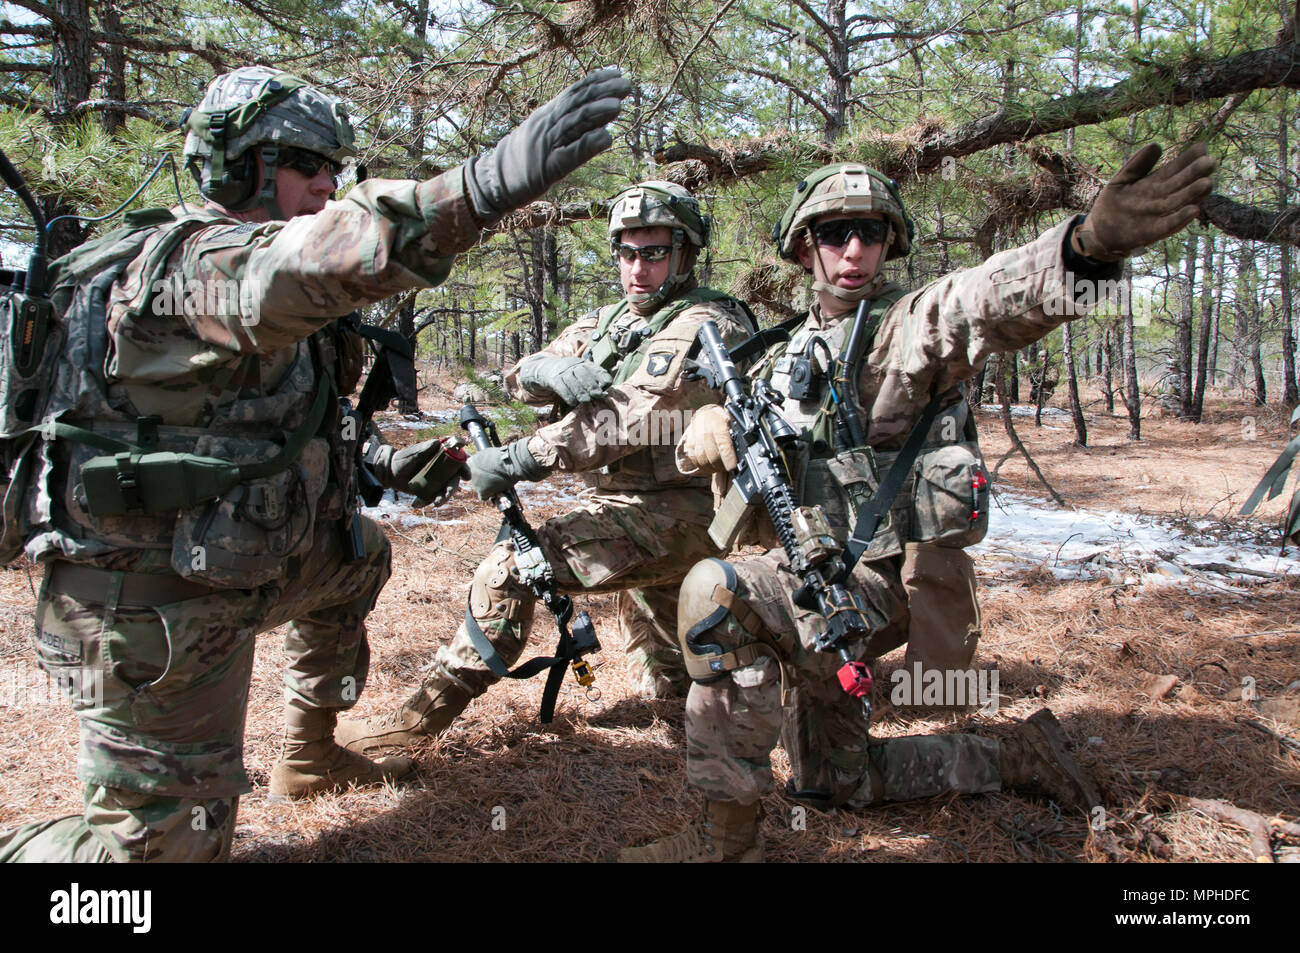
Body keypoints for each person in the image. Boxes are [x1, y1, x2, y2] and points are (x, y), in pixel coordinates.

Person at [0, 64, 630, 862]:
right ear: (242, 167)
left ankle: (307, 753)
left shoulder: (273, 292)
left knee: (359, 556)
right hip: (145, 600)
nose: (330, 183)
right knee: (152, 863)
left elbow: (287, 421)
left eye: (339, 167)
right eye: (308, 163)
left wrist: (384, 468)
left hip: (232, 563)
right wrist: (476, 186)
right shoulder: (190, 270)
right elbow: (301, 265)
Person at [621, 143, 1215, 861]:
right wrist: (704, 430)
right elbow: (683, 433)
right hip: (811, 575)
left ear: (889, 243)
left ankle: (724, 847)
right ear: (804, 248)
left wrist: (1085, 248)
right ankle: (1014, 756)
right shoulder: (778, 354)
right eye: (834, 234)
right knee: (834, 783)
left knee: (714, 598)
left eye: (870, 233)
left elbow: (981, 301)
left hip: (877, 583)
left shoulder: (902, 332)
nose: (853, 250)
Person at [336, 181, 757, 755]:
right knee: (669, 685)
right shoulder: (613, 320)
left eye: (655, 252)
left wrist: (519, 459)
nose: (638, 268)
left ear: (684, 253)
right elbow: (522, 376)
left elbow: (625, 419)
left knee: (513, 570)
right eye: (627, 252)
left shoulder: (709, 323)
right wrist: (543, 372)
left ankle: (415, 725)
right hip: (622, 506)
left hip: (681, 513)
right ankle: (707, 725)